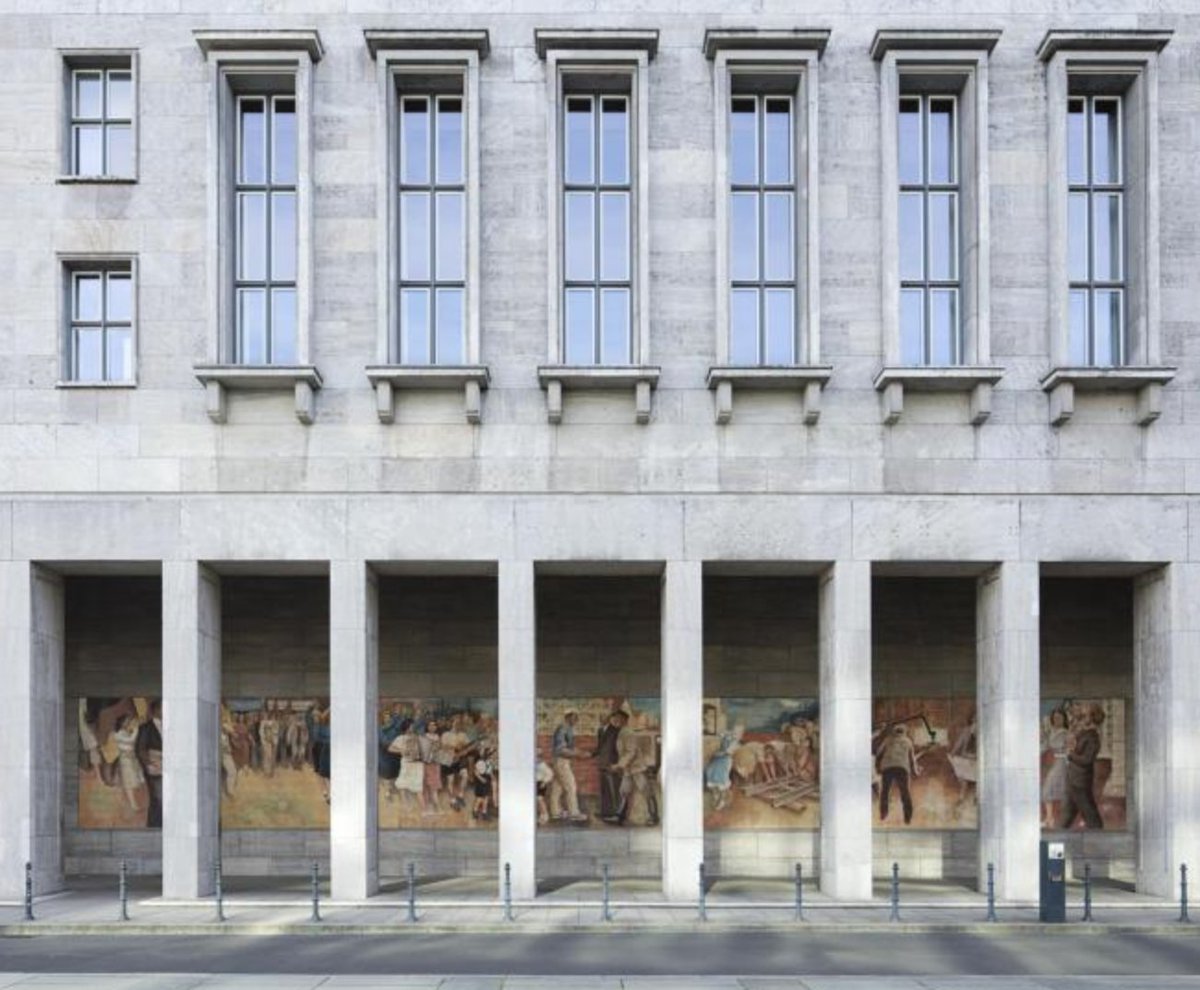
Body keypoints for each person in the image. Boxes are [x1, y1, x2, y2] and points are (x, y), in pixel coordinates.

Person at [1061, 703, 1105, 829]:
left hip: (1080, 780)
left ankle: (1099, 839)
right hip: (1072, 777)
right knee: (1068, 814)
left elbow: (1087, 760)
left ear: (1092, 718)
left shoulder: (1093, 738)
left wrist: (1070, 755)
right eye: (1082, 716)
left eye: (1085, 715)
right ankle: (1057, 836)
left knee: (1090, 815)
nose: (1081, 718)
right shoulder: (1083, 733)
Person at [548, 708, 588, 823]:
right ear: (568, 717)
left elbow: (569, 747)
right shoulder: (563, 729)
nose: (576, 720)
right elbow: (561, 750)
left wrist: (579, 752)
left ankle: (555, 811)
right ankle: (573, 813)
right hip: (561, 761)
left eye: (577, 717)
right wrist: (578, 754)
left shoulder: (567, 729)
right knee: (571, 786)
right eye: (574, 717)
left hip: (560, 761)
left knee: (557, 787)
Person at [876, 723, 920, 824]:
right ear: (905, 732)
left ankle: (883, 815)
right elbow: (912, 760)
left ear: (894, 732)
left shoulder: (888, 739)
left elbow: (879, 753)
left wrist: (878, 767)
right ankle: (907, 819)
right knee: (905, 793)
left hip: (887, 768)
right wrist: (916, 771)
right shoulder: (908, 741)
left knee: (885, 792)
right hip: (902, 768)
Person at [592, 709, 626, 823]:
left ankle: (616, 814)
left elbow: (620, 748)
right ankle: (605, 812)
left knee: (615, 789)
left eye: (604, 716)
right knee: (605, 789)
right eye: (600, 716)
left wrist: (618, 764)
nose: (602, 718)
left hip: (613, 763)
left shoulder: (618, 730)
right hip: (602, 763)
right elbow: (600, 747)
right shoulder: (600, 730)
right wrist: (592, 754)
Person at [135, 700, 164, 828]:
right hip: (154, 768)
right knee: (158, 798)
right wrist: (149, 764)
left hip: (170, 768)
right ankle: (155, 827)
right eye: (163, 708)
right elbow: (140, 749)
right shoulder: (145, 728)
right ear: (155, 710)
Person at [1041, 707, 1070, 828]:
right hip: (1052, 762)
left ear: (1064, 719)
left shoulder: (1066, 733)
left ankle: (1054, 819)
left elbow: (1069, 750)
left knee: (1054, 789)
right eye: (1055, 718)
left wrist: (1060, 756)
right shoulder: (1051, 732)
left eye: (1060, 718)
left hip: (1062, 763)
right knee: (1048, 790)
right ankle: (1049, 818)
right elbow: (1045, 746)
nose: (1057, 720)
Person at [705, 724, 741, 811]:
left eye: (738, 731)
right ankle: (716, 796)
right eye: (735, 730)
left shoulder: (735, 743)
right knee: (710, 771)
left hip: (725, 760)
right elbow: (719, 737)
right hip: (718, 759)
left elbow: (727, 752)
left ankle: (722, 800)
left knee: (721, 778)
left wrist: (717, 754)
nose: (735, 733)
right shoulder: (727, 736)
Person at [113, 713, 145, 813]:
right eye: (126, 721)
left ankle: (134, 804)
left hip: (130, 759)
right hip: (125, 761)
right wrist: (136, 729)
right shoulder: (118, 733)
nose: (128, 723)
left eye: (128, 721)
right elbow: (131, 741)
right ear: (121, 723)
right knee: (129, 783)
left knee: (133, 781)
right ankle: (133, 805)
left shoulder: (124, 732)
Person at [536, 759, 554, 825]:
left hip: (540, 783)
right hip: (535, 783)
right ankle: (542, 815)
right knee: (537, 800)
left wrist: (544, 782)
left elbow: (550, 773)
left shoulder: (541, 765)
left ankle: (545, 815)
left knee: (539, 799)